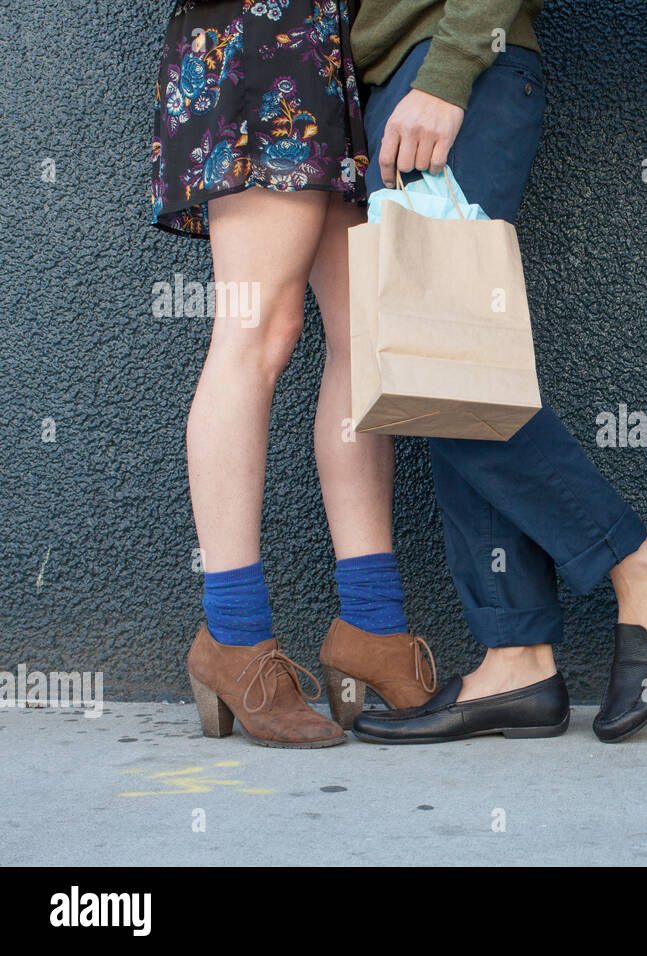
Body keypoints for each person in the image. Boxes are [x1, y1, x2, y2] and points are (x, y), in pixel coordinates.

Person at [343, 0, 647, 745]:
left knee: (448, 376)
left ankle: (642, 564)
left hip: (451, 68)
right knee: (441, 373)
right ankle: (516, 657)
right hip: (405, 82)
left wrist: (447, 73)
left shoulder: (447, 72)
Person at [152, 0, 436, 748]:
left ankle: (373, 627)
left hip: (337, 55)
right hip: (256, 41)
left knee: (362, 340)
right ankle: (235, 639)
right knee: (257, 335)